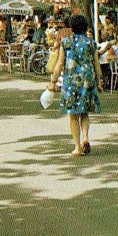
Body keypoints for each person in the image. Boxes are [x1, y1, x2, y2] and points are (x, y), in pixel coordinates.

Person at [47, 13, 102, 156]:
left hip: (71, 81)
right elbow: (96, 64)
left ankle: (77, 147)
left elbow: (60, 63)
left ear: (71, 27)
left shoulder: (66, 42)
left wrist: (53, 81)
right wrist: (99, 82)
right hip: (87, 80)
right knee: (84, 112)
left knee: (73, 115)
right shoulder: (91, 43)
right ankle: (86, 138)